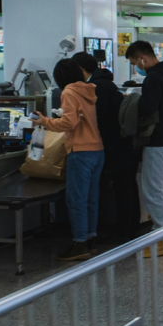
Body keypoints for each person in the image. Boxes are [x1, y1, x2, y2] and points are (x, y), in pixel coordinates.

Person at [31, 59, 103, 261]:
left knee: (76, 199)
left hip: (80, 151)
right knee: (90, 198)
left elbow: (69, 121)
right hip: (97, 149)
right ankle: (90, 240)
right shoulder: (88, 90)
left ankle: (79, 244)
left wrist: (45, 121)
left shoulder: (69, 92)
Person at [71, 51, 139, 240]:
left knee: (121, 188)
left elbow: (97, 119)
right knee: (127, 187)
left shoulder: (97, 88)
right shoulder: (106, 84)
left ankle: (123, 231)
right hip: (124, 145)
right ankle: (129, 228)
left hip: (115, 147)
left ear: (80, 69)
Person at [125, 40, 163, 229]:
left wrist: (133, 101)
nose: (136, 67)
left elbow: (149, 108)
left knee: (154, 190)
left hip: (157, 140)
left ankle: (160, 234)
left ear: (142, 58)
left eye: (134, 63)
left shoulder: (154, 78)